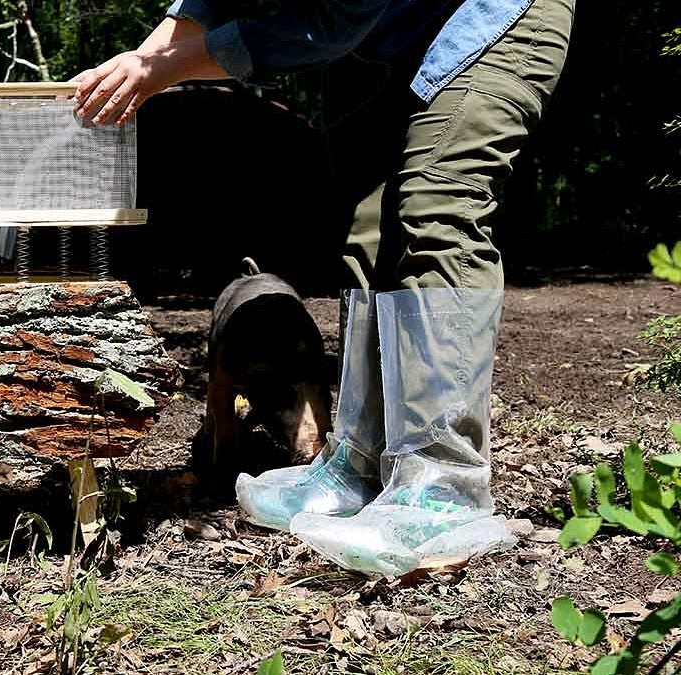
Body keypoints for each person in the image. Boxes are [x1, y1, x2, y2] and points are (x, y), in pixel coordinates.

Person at [70, 0, 575, 577]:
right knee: (367, 225)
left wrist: (170, 67)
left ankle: (442, 488)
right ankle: (358, 466)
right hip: (392, 40)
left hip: (489, 19)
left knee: (436, 202)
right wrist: (143, 59)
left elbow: (330, 19)